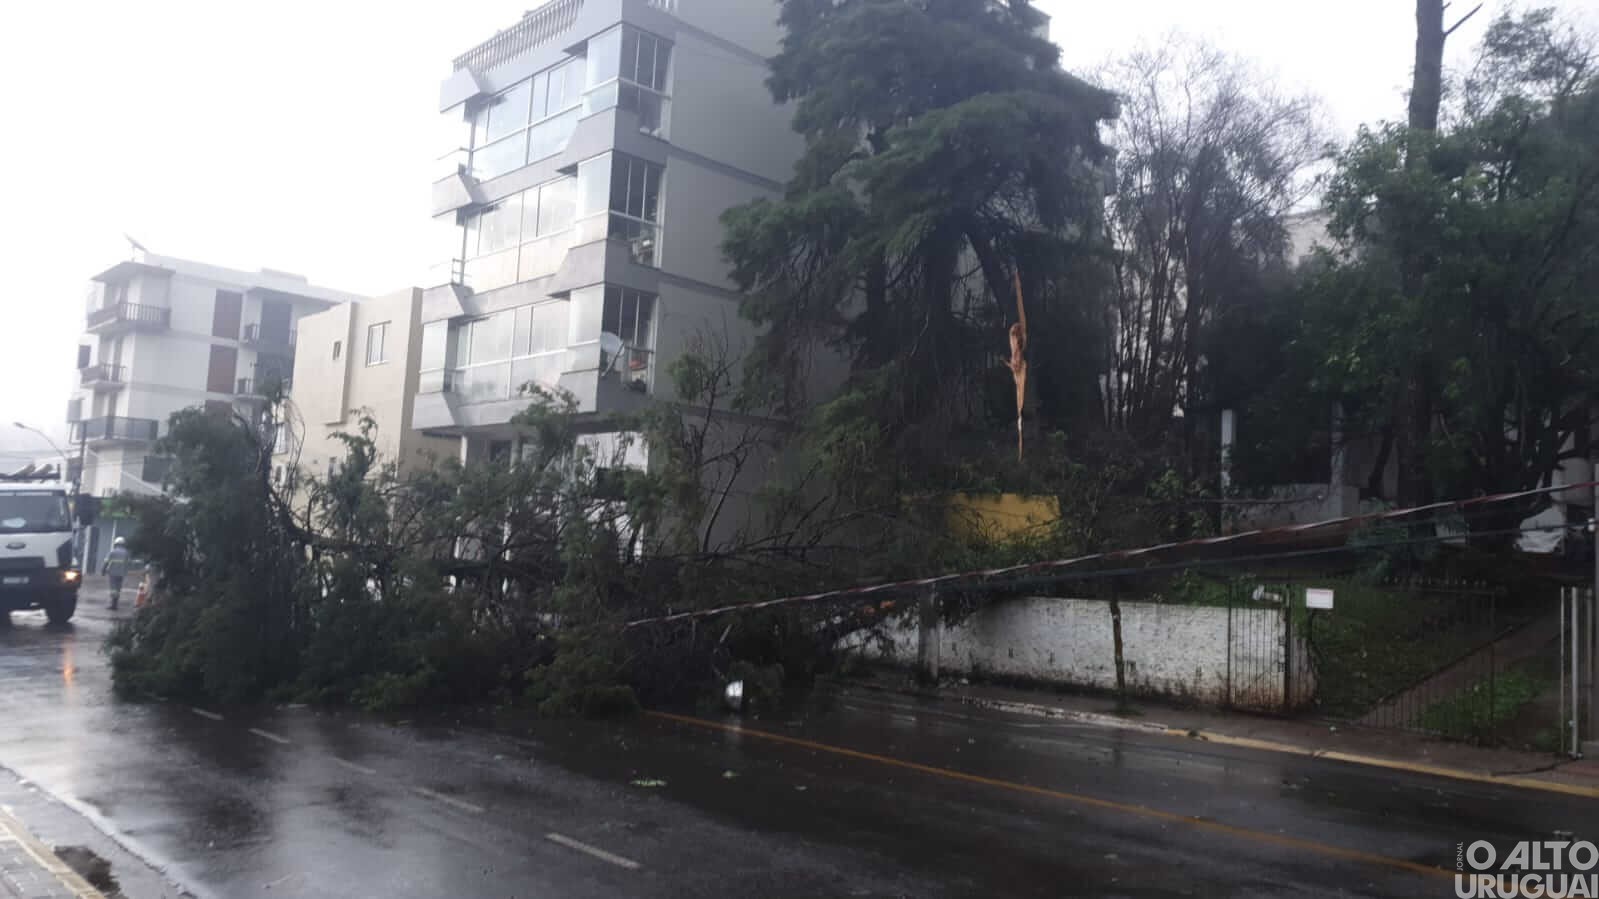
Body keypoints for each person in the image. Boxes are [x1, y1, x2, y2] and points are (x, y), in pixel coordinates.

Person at [101, 537, 130, 610]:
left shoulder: (112, 552)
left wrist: (103, 570)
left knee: (113, 588)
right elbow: (127, 564)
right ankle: (115, 603)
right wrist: (125, 572)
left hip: (113, 572)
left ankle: (113, 604)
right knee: (118, 588)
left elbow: (106, 562)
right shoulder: (126, 553)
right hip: (121, 573)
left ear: (116, 544)